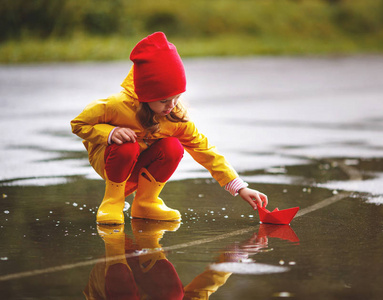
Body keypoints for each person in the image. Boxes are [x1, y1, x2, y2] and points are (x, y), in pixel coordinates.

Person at [71, 32, 268, 225]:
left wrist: (240, 187)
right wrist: (110, 133)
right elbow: (78, 124)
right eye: (164, 100)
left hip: (142, 162)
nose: (171, 105)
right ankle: (112, 203)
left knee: (173, 146)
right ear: (144, 96)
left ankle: (145, 203)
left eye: (177, 97)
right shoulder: (116, 105)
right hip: (112, 160)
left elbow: (205, 150)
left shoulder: (175, 116)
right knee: (128, 145)